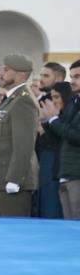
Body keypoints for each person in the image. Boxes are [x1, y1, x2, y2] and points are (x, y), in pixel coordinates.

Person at [0, 54, 39, 216]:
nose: (1, 72)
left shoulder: (23, 101)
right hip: (1, 176)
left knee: (16, 232)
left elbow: (24, 145)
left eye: (6, 69)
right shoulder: (12, 98)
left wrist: (15, 178)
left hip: (11, 179)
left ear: (20, 74)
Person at [42, 60, 80, 218]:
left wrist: (54, 120)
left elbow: (77, 136)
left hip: (77, 174)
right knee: (69, 227)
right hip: (65, 172)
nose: (72, 81)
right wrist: (47, 121)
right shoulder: (74, 102)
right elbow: (59, 139)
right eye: (71, 76)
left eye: (77, 76)